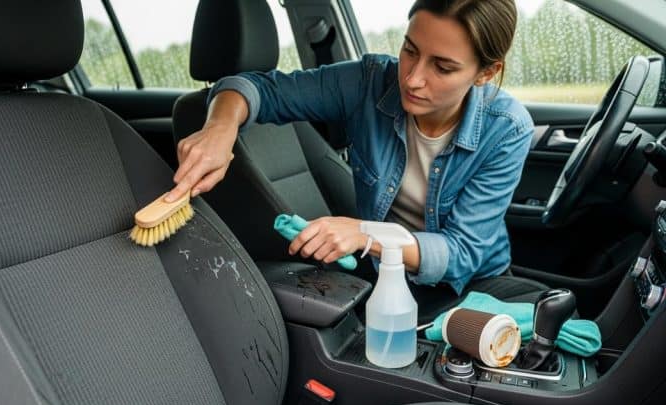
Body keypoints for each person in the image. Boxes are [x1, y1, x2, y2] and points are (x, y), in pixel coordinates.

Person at [167, 0, 547, 319]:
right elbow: (257, 89)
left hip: (474, 286)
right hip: (386, 278)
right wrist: (220, 128)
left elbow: (461, 254)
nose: (413, 79)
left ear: (486, 73)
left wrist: (367, 234)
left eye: (443, 67)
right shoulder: (368, 82)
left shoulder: (508, 129)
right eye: (410, 50)